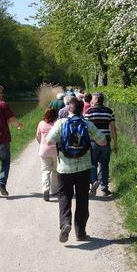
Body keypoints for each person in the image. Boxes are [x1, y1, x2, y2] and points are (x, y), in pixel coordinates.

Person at [46, 98, 108, 242]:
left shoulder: (61, 123)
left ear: (69, 109)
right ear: (82, 110)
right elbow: (103, 141)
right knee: (82, 199)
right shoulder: (87, 124)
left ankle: (65, 224)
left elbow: (49, 141)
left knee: (64, 197)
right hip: (84, 168)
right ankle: (80, 233)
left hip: (64, 169)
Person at [84, 92, 118, 197]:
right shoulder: (109, 111)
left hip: (93, 142)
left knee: (92, 164)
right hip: (106, 142)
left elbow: (85, 128)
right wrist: (115, 143)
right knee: (104, 165)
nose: (91, 100)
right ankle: (104, 188)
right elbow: (113, 128)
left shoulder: (89, 111)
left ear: (96, 100)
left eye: (93, 99)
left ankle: (94, 182)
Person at [36, 107, 60, 201]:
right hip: (55, 151)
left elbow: (38, 136)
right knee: (55, 171)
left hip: (44, 151)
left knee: (45, 171)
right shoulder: (57, 124)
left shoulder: (41, 123)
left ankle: (45, 189)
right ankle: (54, 190)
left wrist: (42, 144)